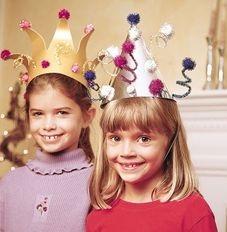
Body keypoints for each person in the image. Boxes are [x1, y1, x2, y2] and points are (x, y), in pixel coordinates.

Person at [86, 13, 218, 231]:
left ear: (170, 139)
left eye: (144, 138)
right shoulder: (98, 213)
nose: (126, 151)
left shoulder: (194, 213)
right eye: (116, 138)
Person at [0, 8, 101, 232]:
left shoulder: (101, 183)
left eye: (62, 112)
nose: (48, 125)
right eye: (38, 114)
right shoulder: (8, 184)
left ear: (87, 116)